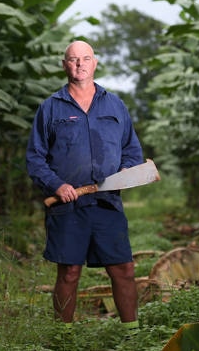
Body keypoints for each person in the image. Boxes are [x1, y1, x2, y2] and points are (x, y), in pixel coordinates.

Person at [26, 40, 143, 329]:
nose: (80, 64)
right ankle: (63, 337)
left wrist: (126, 172)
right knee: (69, 272)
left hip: (107, 202)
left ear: (95, 62)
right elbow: (35, 157)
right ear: (64, 65)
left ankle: (132, 334)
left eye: (85, 58)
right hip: (68, 204)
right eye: (73, 59)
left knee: (123, 269)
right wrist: (56, 185)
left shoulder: (115, 104)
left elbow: (131, 149)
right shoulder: (50, 108)